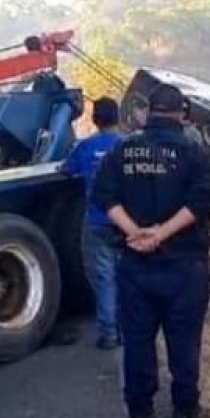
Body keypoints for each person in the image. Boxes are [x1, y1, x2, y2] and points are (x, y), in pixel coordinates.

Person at [92, 84, 210, 418]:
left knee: (137, 340)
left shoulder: (122, 151)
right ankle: (184, 411)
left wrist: (136, 234)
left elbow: (104, 197)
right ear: (181, 114)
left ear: (148, 112)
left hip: (135, 265)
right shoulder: (195, 153)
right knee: (183, 340)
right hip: (184, 266)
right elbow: (201, 201)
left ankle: (139, 413)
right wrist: (160, 235)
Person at [63, 97, 124, 350]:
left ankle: (109, 335)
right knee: (127, 276)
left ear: (95, 120)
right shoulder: (129, 146)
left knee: (104, 277)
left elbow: (67, 170)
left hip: (97, 222)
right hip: (126, 223)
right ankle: (131, 331)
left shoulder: (85, 148)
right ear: (118, 118)